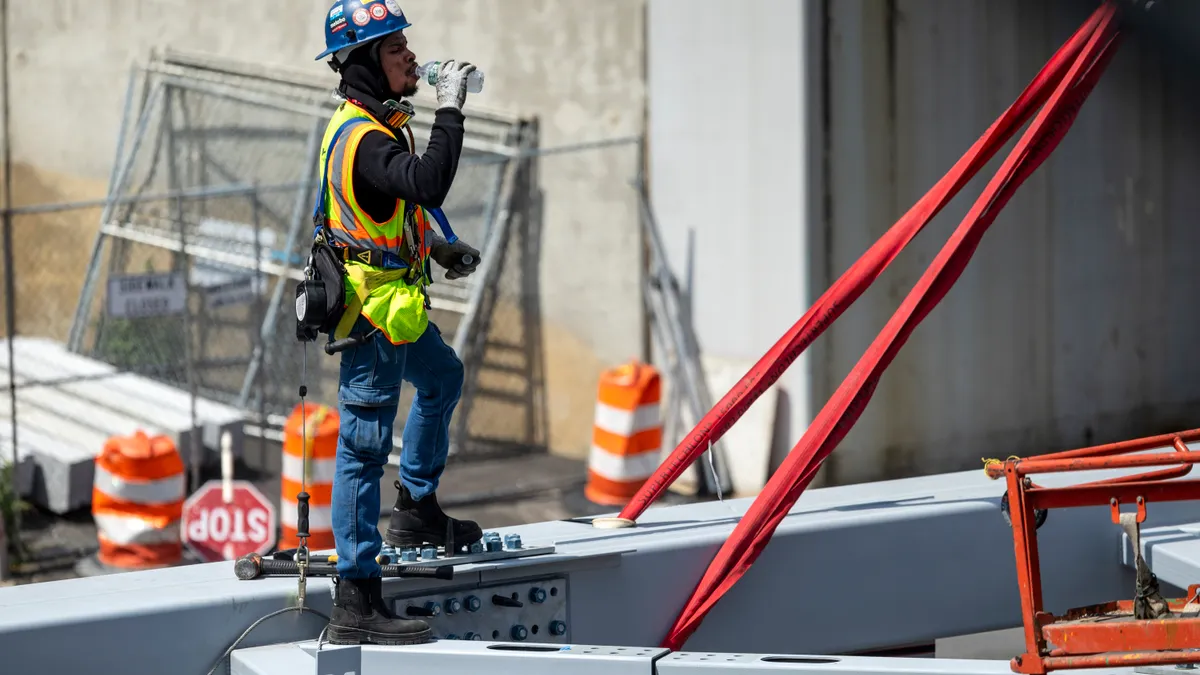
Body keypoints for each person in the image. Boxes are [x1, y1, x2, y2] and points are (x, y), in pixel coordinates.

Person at [311, 0, 485, 646]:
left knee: (443, 378)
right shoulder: (365, 140)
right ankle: (356, 594)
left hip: (397, 301)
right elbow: (428, 182)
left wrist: (438, 248)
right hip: (372, 315)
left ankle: (414, 508)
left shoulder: (370, 123)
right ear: (362, 65)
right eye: (394, 49)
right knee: (361, 446)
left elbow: (387, 209)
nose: (410, 56)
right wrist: (453, 108)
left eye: (405, 44)